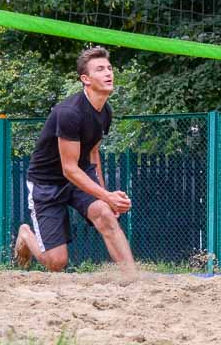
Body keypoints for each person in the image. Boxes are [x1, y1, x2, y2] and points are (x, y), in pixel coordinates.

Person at [13, 46, 136, 274]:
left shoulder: (104, 111)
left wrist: (104, 195)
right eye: (100, 69)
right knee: (57, 263)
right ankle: (26, 235)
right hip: (47, 183)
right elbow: (69, 169)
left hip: (80, 176)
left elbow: (92, 154)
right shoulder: (70, 112)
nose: (108, 73)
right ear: (85, 79)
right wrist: (107, 195)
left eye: (109, 68)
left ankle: (132, 278)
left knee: (105, 215)